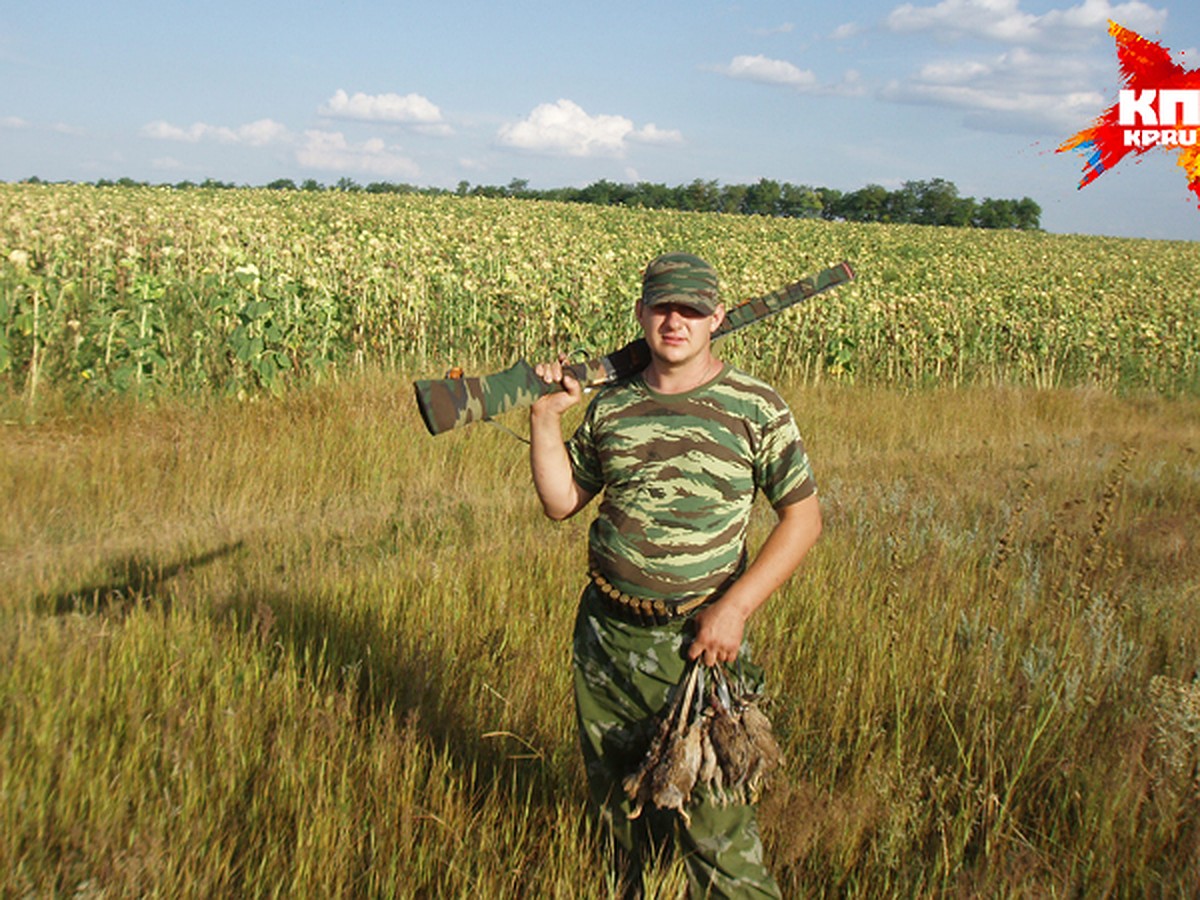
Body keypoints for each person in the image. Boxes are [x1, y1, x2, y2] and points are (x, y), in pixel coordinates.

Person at [530, 252, 822, 898]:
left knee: (719, 839)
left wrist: (736, 609)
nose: (676, 320)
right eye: (663, 306)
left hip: (698, 651)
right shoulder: (613, 407)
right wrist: (545, 419)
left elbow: (803, 519)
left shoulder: (754, 406)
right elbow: (560, 501)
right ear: (641, 315)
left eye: (691, 309)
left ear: (716, 317)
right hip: (607, 640)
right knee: (619, 824)